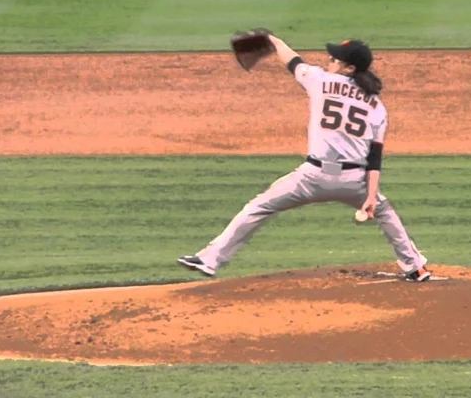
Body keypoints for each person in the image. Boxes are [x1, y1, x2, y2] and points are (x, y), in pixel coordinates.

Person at [177, 35, 432, 282]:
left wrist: (273, 40)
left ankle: (210, 260)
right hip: (354, 181)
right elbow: (374, 159)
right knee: (386, 213)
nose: (329, 61)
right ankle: (415, 267)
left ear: (349, 68)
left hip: (312, 177)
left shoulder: (319, 80)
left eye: (335, 59)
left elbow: (293, 61)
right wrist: (370, 198)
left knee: (259, 206)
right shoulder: (377, 106)